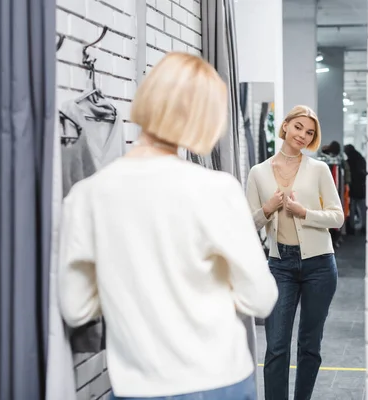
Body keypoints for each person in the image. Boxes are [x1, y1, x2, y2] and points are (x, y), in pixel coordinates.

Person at [58, 52, 279, 400]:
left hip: (136, 388)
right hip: (218, 382)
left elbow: (75, 308)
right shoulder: (216, 190)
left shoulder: (85, 197)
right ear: (205, 119)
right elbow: (262, 298)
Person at [246, 105, 344, 400]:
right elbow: (247, 224)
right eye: (299, 127)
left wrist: (305, 213)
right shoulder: (259, 172)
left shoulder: (319, 170)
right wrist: (267, 209)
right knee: (276, 345)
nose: (303, 135)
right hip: (280, 266)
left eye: (310, 132)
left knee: (309, 345)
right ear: (286, 126)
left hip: (319, 266)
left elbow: (338, 216)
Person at [344, 144, 367, 234]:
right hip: (361, 188)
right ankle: (364, 226)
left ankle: (351, 227)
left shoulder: (349, 161)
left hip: (352, 189)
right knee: (362, 209)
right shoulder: (361, 159)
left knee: (352, 209)